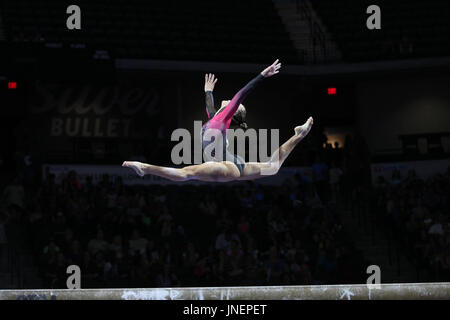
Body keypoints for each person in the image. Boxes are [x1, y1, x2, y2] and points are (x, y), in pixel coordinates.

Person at [123, 59, 314, 182]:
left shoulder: (224, 118)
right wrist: (208, 91)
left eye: (233, 104)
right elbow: (210, 109)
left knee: (185, 174)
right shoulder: (216, 119)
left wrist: (262, 75)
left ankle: (145, 168)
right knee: (273, 167)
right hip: (235, 164)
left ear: (233, 110)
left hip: (225, 166)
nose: (231, 101)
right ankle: (299, 135)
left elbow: (241, 94)